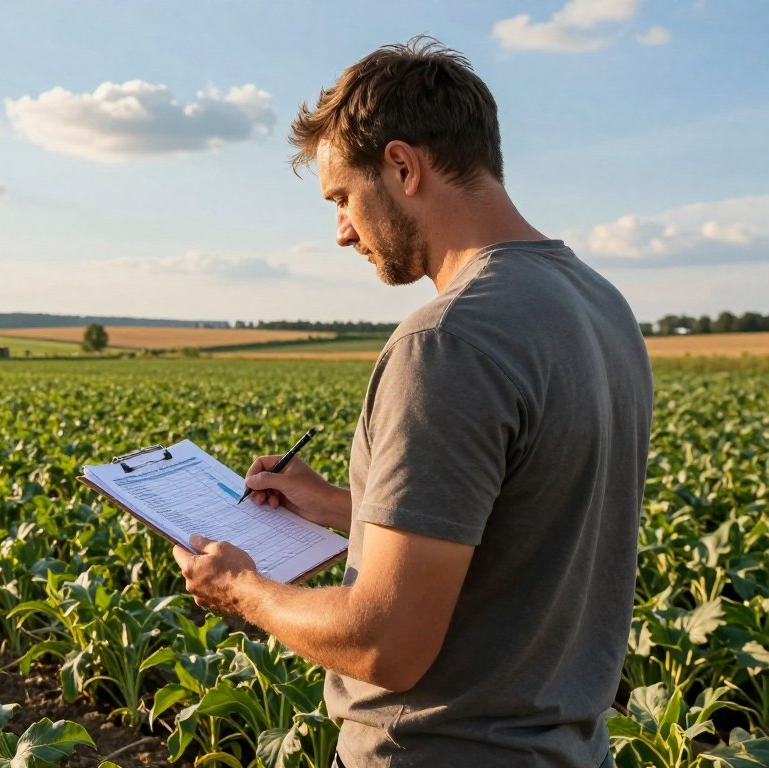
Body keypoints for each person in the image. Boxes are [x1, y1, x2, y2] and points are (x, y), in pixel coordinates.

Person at [172, 37, 654, 768]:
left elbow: (385, 644)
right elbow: (515, 528)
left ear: (403, 166)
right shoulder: (599, 304)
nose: (341, 231)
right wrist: (337, 506)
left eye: (342, 198)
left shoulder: (448, 340)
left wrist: (241, 588)